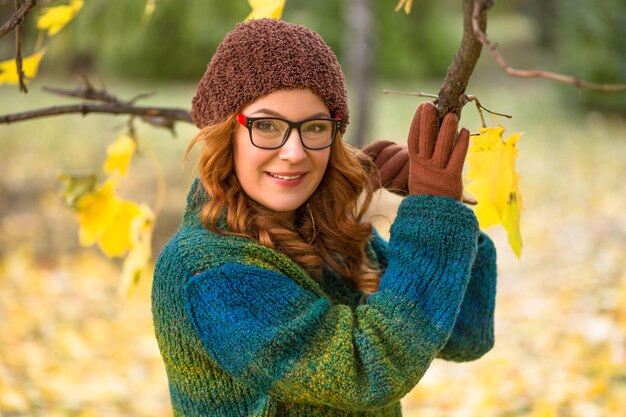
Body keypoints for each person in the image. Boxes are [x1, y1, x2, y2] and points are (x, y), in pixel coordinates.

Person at [152, 18, 497, 417]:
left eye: (314, 127)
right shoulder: (209, 273)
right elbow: (363, 371)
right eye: (266, 126)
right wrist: (432, 224)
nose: (295, 152)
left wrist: (439, 216)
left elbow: (465, 332)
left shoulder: (326, 235)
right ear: (225, 133)